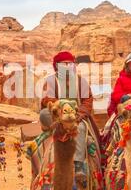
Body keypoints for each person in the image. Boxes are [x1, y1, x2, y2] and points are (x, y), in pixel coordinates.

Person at [41, 51, 100, 180]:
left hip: (76, 116)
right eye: (64, 64)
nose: (67, 66)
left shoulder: (80, 81)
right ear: (57, 66)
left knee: (82, 129)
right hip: (58, 115)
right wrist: (59, 110)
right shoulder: (51, 81)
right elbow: (47, 99)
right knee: (44, 115)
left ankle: (79, 164)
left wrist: (79, 115)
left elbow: (87, 100)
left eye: (69, 63)